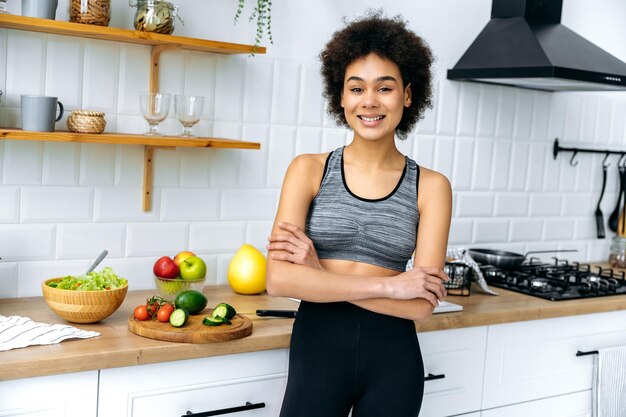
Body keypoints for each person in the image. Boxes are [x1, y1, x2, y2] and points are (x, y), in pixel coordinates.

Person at [265, 11, 452, 417]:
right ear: (341, 97)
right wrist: (391, 286)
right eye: (356, 88)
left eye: (385, 87)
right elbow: (278, 279)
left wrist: (317, 276)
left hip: (394, 360)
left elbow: (421, 305)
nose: (370, 101)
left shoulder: (432, 187)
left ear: (407, 94)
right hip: (317, 350)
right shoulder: (308, 170)